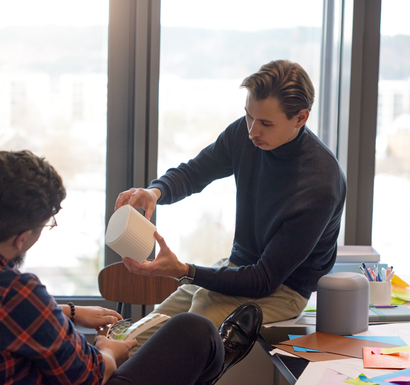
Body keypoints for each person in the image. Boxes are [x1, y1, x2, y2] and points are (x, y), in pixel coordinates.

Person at [0, 150, 263, 385]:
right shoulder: (17, 293)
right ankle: (214, 360)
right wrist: (109, 352)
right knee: (194, 330)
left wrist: (69, 311)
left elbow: (3, 319)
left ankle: (200, 368)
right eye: (46, 226)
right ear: (21, 238)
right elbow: (89, 377)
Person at [115, 60, 347, 346]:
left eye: (266, 123)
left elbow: (263, 280)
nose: (252, 131)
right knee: (132, 337)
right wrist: (156, 191)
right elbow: (196, 171)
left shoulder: (320, 184)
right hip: (239, 268)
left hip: (283, 290)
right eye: (249, 116)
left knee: (186, 331)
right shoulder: (245, 134)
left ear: (300, 118)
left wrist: (185, 270)